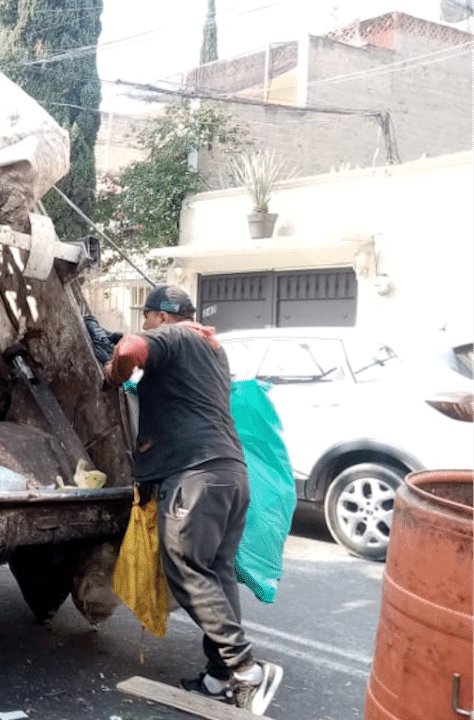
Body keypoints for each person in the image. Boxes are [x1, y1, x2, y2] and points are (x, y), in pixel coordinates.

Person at [102, 285, 283, 716]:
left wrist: (116, 373)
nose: (144, 323)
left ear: (162, 316)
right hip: (230, 475)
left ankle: (246, 667)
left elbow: (130, 347)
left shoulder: (174, 336)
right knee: (216, 573)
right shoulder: (211, 350)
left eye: (146, 315)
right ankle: (220, 676)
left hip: (195, 476)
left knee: (184, 566)